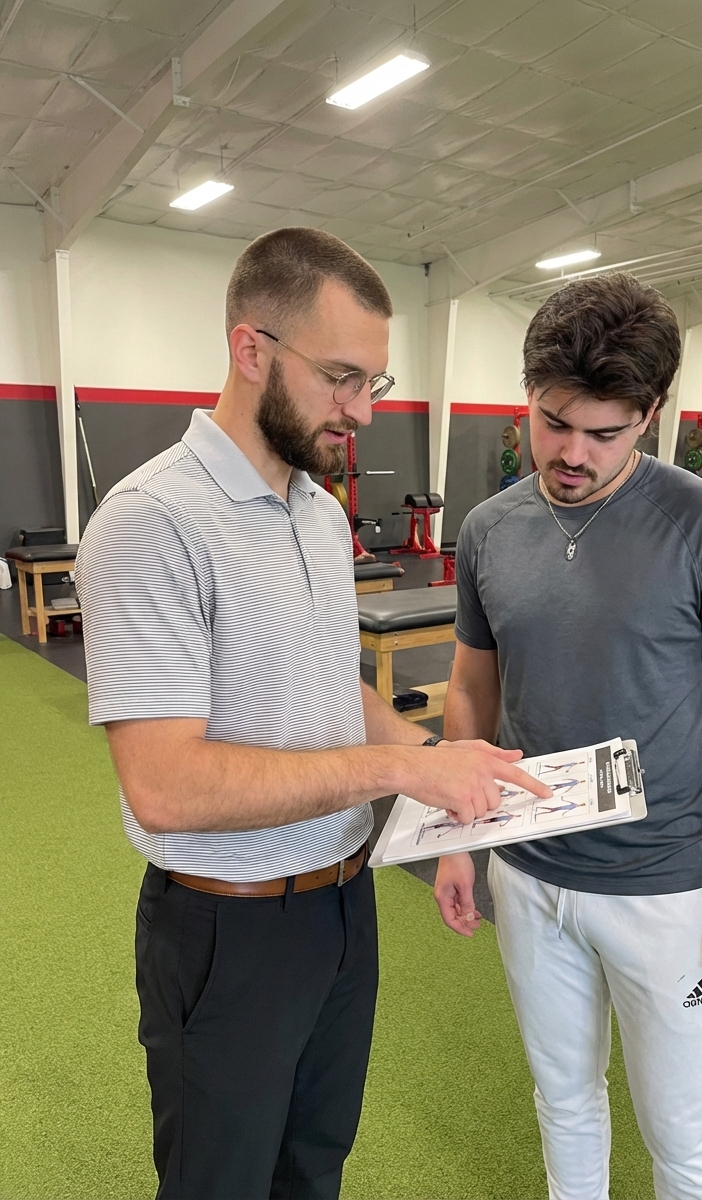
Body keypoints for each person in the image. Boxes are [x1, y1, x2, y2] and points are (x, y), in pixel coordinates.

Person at [74, 227, 549, 1200]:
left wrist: (441, 765)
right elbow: (164, 787)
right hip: (225, 927)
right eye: (341, 377)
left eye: (373, 382)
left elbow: (337, 691)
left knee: (313, 1169)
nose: (361, 411)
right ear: (250, 350)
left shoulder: (317, 517)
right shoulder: (150, 524)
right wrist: (406, 774)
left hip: (343, 906)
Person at [434, 272, 702, 1200]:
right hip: (528, 869)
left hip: (665, 891)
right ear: (529, 396)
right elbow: (474, 685)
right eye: (554, 422)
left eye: (604, 432)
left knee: (682, 1142)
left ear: (650, 415)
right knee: (563, 1102)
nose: (571, 453)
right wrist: (457, 837)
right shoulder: (486, 530)